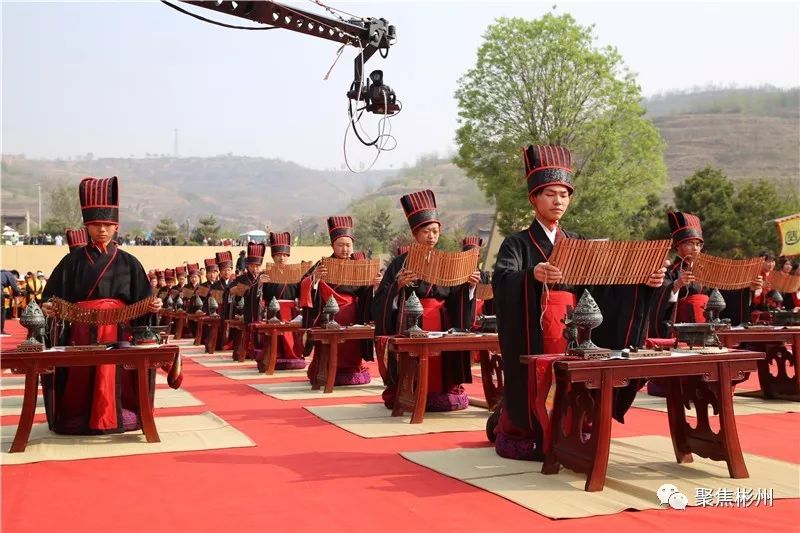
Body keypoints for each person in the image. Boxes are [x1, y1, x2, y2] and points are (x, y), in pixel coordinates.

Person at [491, 145, 665, 460]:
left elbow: (603, 286)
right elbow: (502, 281)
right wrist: (532, 274)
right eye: (550, 194)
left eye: (564, 195)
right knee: (541, 379)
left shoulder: (578, 241)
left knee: (574, 378)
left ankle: (571, 426)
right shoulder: (516, 243)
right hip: (538, 324)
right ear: (534, 199)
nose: (558, 201)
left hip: (575, 325)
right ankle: (532, 430)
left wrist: (644, 283)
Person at [40, 176, 162, 435]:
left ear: (116, 227)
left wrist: (152, 307)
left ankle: (118, 414)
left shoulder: (129, 263)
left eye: (107, 225)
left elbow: (143, 299)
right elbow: (50, 297)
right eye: (96, 225)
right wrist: (49, 308)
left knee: (114, 372)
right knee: (81, 375)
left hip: (118, 330)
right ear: (87, 226)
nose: (102, 230)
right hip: (81, 329)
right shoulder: (72, 262)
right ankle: (78, 416)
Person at [373, 190, 479, 411]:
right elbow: (382, 297)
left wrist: (468, 285)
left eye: (435, 231)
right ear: (415, 233)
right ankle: (412, 391)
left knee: (441, 361)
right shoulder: (400, 263)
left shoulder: (446, 260)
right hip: (412, 322)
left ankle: (441, 391)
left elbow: (454, 296)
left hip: (442, 320)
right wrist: (397, 287)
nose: (431, 236)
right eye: (426, 231)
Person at [302, 216, 381, 385]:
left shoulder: (358, 265)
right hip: (330, 315)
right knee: (330, 348)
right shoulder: (323, 264)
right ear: (332, 246)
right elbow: (303, 283)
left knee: (351, 347)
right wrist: (315, 278)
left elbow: (365, 293)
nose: (345, 249)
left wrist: (373, 286)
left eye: (348, 245)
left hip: (353, 314)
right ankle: (326, 370)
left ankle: (352, 369)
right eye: (340, 245)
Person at [257, 231, 306, 372]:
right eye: (278, 255)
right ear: (273, 256)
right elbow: (260, 296)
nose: (282, 258)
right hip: (273, 310)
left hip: (291, 310)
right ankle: (275, 356)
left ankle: (293, 356)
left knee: (291, 335)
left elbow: (301, 292)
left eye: (285, 255)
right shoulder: (265, 274)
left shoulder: (295, 273)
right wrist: (260, 284)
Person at [230, 242, 268, 359]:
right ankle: (250, 351)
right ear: (248, 266)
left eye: (257, 266)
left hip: (263, 311)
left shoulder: (264, 277)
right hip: (248, 311)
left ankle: (262, 351)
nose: (255, 269)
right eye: (252, 266)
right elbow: (230, 291)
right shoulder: (241, 278)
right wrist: (235, 290)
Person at [1, 269, 22, 336]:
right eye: (16, 279)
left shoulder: (2, 273)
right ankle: (0, 330)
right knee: (2, 310)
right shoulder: (10, 275)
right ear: (15, 275)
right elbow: (15, 288)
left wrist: (7, 296)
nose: (15, 280)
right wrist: (20, 293)